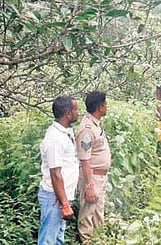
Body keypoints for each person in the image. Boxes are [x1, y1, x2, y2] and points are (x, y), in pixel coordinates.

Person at [38, 96, 80, 245]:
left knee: (57, 238)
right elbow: (55, 174)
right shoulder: (55, 139)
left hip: (61, 197)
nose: (78, 113)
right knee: (48, 240)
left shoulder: (65, 133)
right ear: (68, 113)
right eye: (76, 109)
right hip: (54, 197)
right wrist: (65, 204)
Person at [76, 91, 111, 244]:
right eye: (105, 104)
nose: (106, 106)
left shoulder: (96, 125)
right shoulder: (87, 129)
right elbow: (84, 159)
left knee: (98, 215)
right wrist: (90, 185)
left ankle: (98, 241)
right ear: (100, 107)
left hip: (100, 176)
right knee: (87, 215)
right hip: (92, 177)